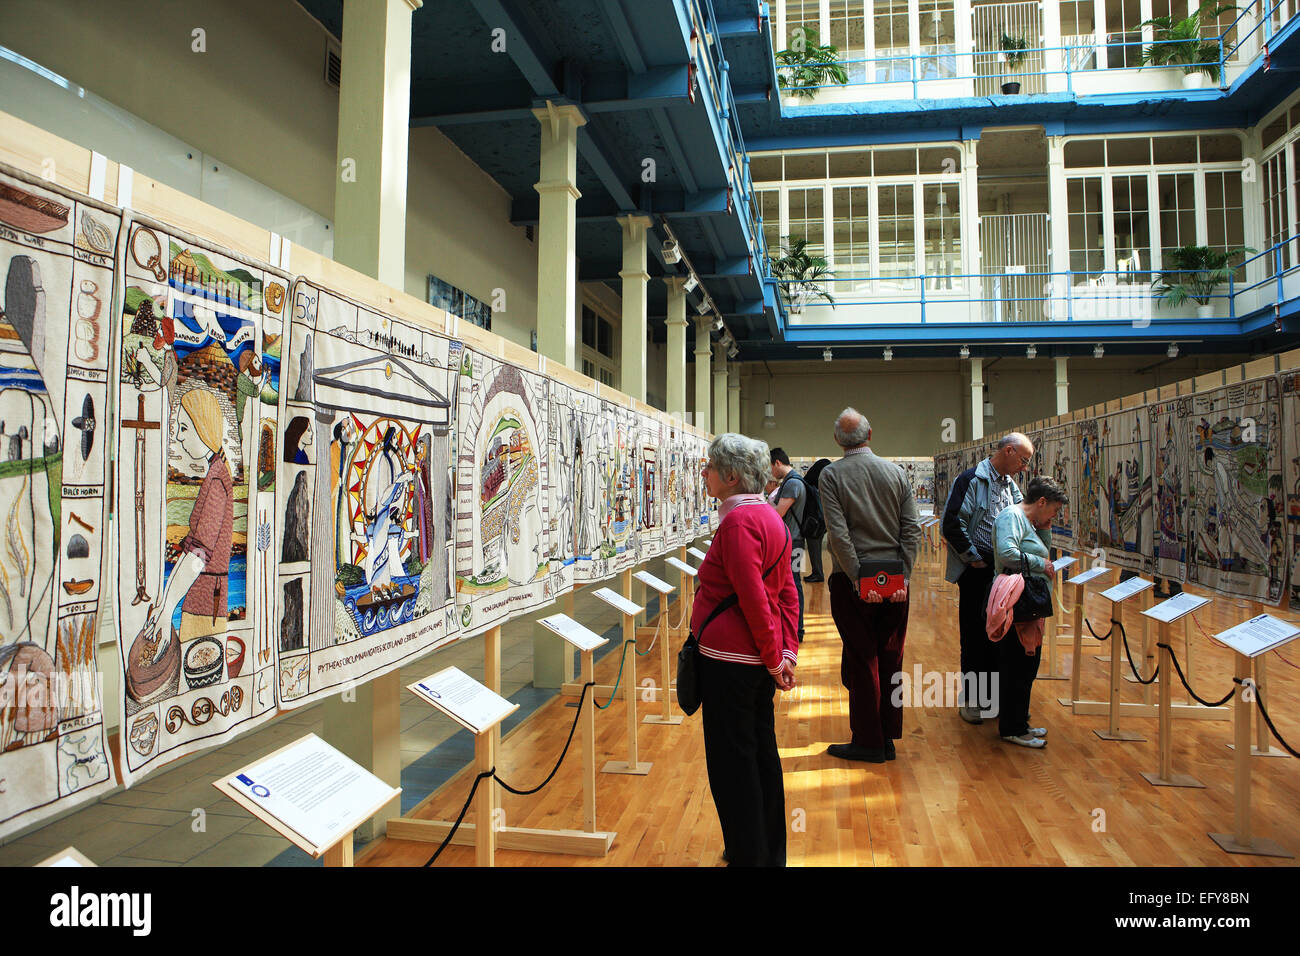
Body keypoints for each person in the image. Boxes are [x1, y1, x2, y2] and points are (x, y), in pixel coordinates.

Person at [692, 433, 799, 866]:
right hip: (753, 662)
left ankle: (749, 854)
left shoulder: (737, 522)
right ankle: (764, 850)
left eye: (710, 468)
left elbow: (755, 598)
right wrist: (784, 653)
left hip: (730, 664)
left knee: (733, 765)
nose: (705, 475)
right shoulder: (771, 518)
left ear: (731, 476)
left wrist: (776, 658)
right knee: (759, 755)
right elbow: (786, 594)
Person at [819, 408, 922, 762]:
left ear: (837, 440)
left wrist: (858, 579)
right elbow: (911, 529)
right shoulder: (896, 473)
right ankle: (887, 735)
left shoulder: (832, 476)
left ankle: (868, 741)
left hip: (852, 583)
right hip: (895, 583)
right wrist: (902, 578)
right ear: (870, 434)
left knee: (862, 659)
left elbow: (839, 534)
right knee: (891, 657)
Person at [941, 432, 1033, 724]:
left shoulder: (1012, 487)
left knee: (1000, 635)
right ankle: (972, 700)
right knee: (973, 635)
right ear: (1008, 451)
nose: (1025, 466)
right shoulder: (970, 480)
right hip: (977, 572)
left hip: (1002, 574)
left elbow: (1023, 519)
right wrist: (974, 559)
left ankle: (992, 699)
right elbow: (952, 523)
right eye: (1023, 459)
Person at [145, 387, 234, 659]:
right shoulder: (215, 474)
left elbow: (198, 555)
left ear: (202, 427)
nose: (178, 437)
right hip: (201, 598)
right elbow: (192, 550)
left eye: (184, 428)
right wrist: (164, 604)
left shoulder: (217, 481)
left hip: (205, 603)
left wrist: (168, 606)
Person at [987, 475, 1069, 748]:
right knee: (1016, 664)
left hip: (1028, 601)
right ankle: (1012, 727)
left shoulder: (1029, 520)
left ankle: (1020, 722)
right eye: (1054, 510)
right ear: (1042, 501)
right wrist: (1040, 564)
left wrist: (1044, 527)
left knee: (1027, 664)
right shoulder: (1012, 516)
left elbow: (1041, 550)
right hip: (1016, 600)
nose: (1055, 514)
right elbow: (1009, 553)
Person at [769, 447, 807, 641]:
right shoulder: (793, 481)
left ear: (777, 463)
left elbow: (778, 513)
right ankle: (796, 628)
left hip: (793, 543)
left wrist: (763, 504)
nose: (771, 474)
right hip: (795, 541)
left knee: (793, 585)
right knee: (794, 583)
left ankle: (797, 629)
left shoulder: (792, 483)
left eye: (771, 468)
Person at [802, 458, 832, 582]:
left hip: (812, 524)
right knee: (816, 550)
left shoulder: (808, 485)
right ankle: (817, 573)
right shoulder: (818, 486)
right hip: (820, 522)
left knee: (814, 550)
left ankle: (817, 574)